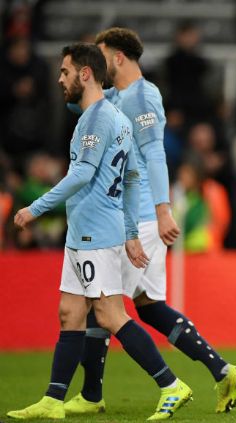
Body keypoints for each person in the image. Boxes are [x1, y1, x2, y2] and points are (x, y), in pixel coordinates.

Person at [60, 28, 236, 416]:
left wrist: (163, 212)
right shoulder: (114, 96)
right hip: (127, 212)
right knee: (147, 306)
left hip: (141, 216)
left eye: (101, 55)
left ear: (118, 58)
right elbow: (77, 106)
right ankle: (221, 369)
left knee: (103, 304)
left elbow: (155, 155)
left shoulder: (144, 96)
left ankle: (98, 393)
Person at [6, 43, 192, 421]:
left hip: (95, 235)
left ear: (85, 73)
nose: (60, 79)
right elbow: (133, 177)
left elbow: (83, 174)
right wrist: (130, 232)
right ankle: (54, 401)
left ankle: (171, 385)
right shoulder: (111, 116)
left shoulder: (97, 119)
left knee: (110, 316)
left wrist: (34, 208)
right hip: (84, 233)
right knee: (69, 313)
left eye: (64, 71)